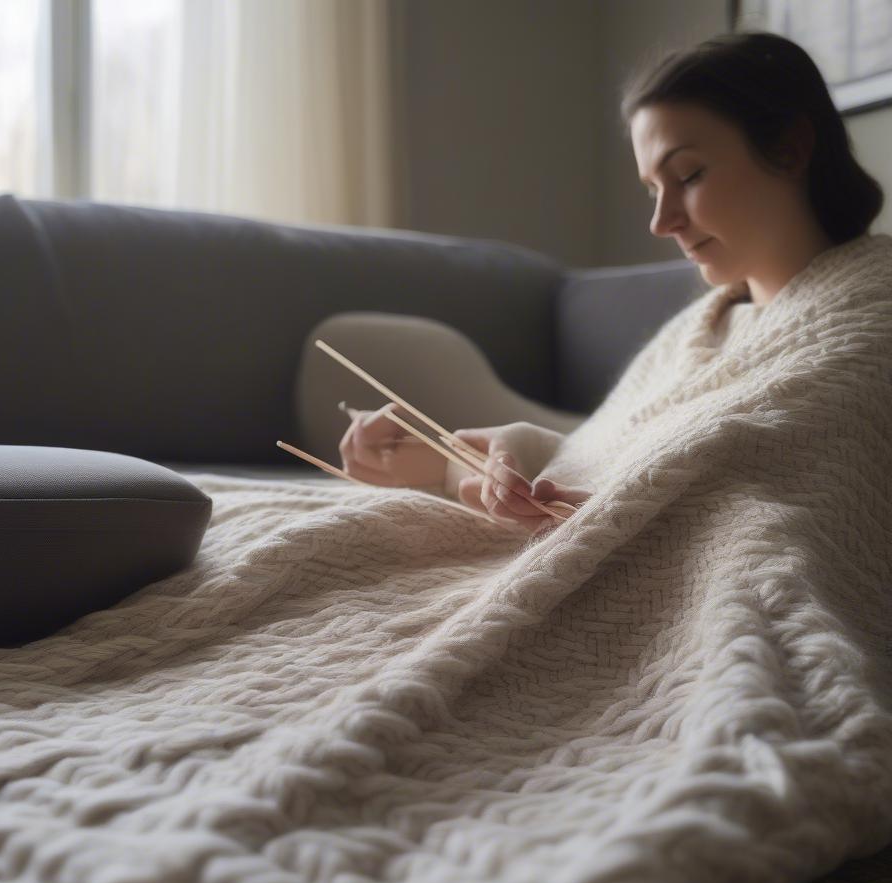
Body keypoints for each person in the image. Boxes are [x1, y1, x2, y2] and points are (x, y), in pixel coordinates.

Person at [337, 31, 884, 534]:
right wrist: (467, 465)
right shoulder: (702, 326)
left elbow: (769, 495)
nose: (661, 221)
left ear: (790, 148)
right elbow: (601, 452)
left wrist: (619, 512)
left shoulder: (869, 318)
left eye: (688, 175)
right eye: (653, 189)